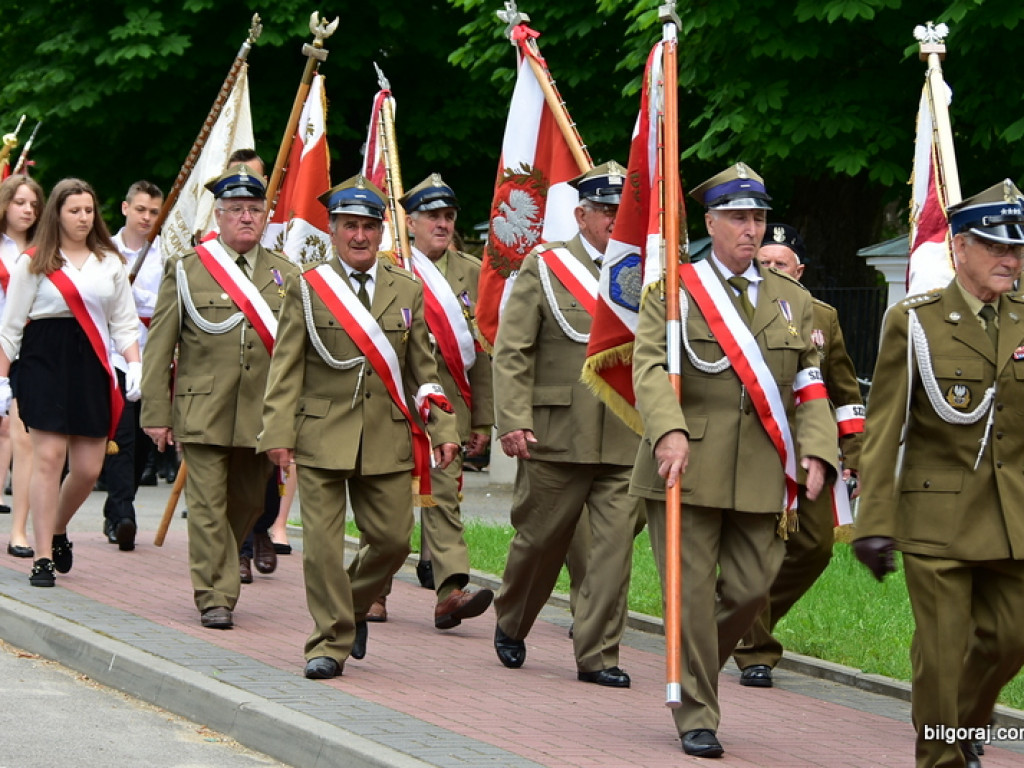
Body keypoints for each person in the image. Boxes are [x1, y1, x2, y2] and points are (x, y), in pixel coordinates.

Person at [630, 163, 837, 757]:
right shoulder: (673, 290)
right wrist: (667, 430)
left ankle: (692, 668)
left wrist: (818, 449)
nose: (753, 230)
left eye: (760, 218)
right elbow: (647, 367)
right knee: (692, 598)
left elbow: (810, 385)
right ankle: (696, 709)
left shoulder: (792, 301)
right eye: (741, 218)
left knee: (750, 591)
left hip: (760, 472)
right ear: (711, 222)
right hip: (685, 466)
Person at [258, 175, 460, 679]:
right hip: (322, 434)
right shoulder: (307, 288)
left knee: (394, 541)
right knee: (323, 549)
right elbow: (286, 368)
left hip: (387, 434)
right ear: (334, 230)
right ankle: (327, 644)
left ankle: (348, 607)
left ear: (381, 232)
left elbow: (423, 372)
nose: (361, 236)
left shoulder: (406, 288)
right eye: (351, 226)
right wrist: (277, 435)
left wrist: (444, 429)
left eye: (370, 226)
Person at [853, 180, 1024, 768]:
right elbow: (885, 429)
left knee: (1011, 640)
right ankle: (941, 759)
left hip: (1013, 519)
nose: (1011, 260)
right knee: (943, 654)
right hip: (937, 518)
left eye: (1018, 249)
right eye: (996, 248)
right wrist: (871, 522)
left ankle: (962, 731)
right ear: (958, 248)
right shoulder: (916, 321)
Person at [491, 161, 641, 688]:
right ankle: (512, 618)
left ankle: (598, 654)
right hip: (556, 433)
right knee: (539, 541)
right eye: (605, 211)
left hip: (626, 435)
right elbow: (513, 350)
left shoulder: (649, 272)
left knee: (611, 552)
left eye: (622, 211)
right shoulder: (546, 267)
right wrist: (512, 418)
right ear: (581, 215)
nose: (614, 220)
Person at [141, 164, 297, 628]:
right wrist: (156, 412)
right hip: (203, 408)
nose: (247, 217)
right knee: (207, 505)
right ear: (220, 215)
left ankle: (221, 569)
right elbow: (161, 345)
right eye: (236, 210)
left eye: (254, 209)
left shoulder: (286, 275)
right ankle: (215, 594)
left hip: (261, 414)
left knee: (250, 504)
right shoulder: (188, 269)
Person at [732, 223, 865, 687]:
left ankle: (736, 613)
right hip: (753, 444)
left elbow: (844, 391)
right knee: (759, 549)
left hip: (809, 449)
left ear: (800, 270)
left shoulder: (823, 316)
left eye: (780, 264)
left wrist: (855, 453)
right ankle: (755, 650)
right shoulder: (738, 307)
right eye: (762, 262)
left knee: (814, 546)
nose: (770, 270)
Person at [0, 178, 142, 587]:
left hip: (92, 366)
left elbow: (124, 323)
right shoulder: (34, 261)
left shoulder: (109, 261)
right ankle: (42, 555)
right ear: (57, 215)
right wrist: (2, 377)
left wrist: (133, 365)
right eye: (74, 210)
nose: (83, 218)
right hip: (44, 361)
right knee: (47, 459)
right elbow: (10, 329)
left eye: (88, 210)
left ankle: (59, 527)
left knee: (86, 468)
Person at [374, 173, 495, 628]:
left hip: (449, 411)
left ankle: (451, 591)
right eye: (432, 217)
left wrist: (483, 420)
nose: (442, 224)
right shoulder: (389, 268)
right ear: (411, 222)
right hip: (397, 405)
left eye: (448, 216)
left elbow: (482, 351)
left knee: (444, 499)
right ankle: (374, 591)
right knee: (390, 505)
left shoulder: (472, 271)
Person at [101, 180, 164, 552]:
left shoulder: (165, 255)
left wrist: (134, 293)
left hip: (153, 358)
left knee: (143, 443)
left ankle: (119, 507)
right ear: (126, 208)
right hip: (115, 357)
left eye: (154, 212)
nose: (146, 218)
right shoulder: (104, 251)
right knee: (121, 438)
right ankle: (123, 516)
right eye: (140, 209)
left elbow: (165, 305)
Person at [0, 174, 44, 558]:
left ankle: (19, 531)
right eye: (20, 202)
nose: (28, 210)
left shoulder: (46, 249)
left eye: (33, 204)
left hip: (29, 353)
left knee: (24, 440)